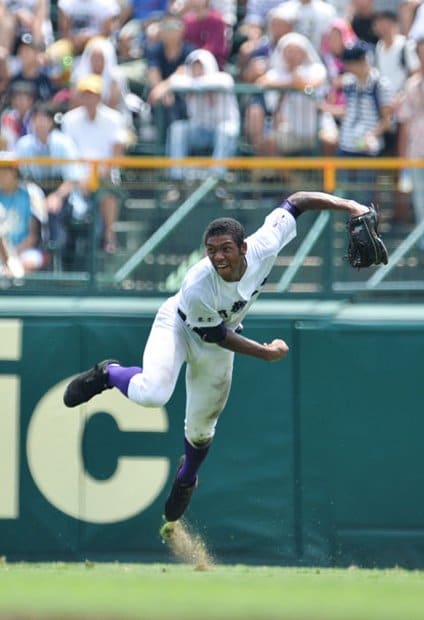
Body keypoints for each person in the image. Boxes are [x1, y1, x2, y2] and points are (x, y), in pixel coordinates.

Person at [63, 189, 371, 523]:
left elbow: (298, 201)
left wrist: (350, 206)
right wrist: (265, 353)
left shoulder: (264, 243)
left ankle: (186, 478)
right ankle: (108, 374)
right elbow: (216, 335)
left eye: (226, 249)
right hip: (180, 326)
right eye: (211, 251)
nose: (218, 257)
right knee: (153, 393)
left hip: (219, 335)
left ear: (243, 247)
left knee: (200, 430)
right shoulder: (198, 282)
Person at [61, 73, 129, 254]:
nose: (89, 98)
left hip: (104, 176)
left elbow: (117, 152)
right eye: (85, 94)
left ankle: (109, 238)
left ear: (100, 96)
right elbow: (69, 153)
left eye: (93, 94)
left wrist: (96, 175)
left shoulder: (114, 118)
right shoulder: (69, 120)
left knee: (108, 192)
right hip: (76, 176)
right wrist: (80, 177)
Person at [14, 101, 85, 269]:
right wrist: (37, 198)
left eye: (44, 118)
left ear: (51, 122)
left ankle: (55, 260)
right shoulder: (24, 144)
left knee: (54, 214)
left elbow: (73, 178)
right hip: (32, 194)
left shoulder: (64, 143)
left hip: (62, 194)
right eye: (36, 118)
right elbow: (21, 178)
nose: (39, 123)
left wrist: (56, 197)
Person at [0, 154, 47, 277]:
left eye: (5, 169)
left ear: (15, 172)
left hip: (25, 252)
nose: (1, 174)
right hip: (1, 254)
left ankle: (10, 274)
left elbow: (33, 236)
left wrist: (12, 257)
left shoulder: (31, 194)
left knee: (30, 261)